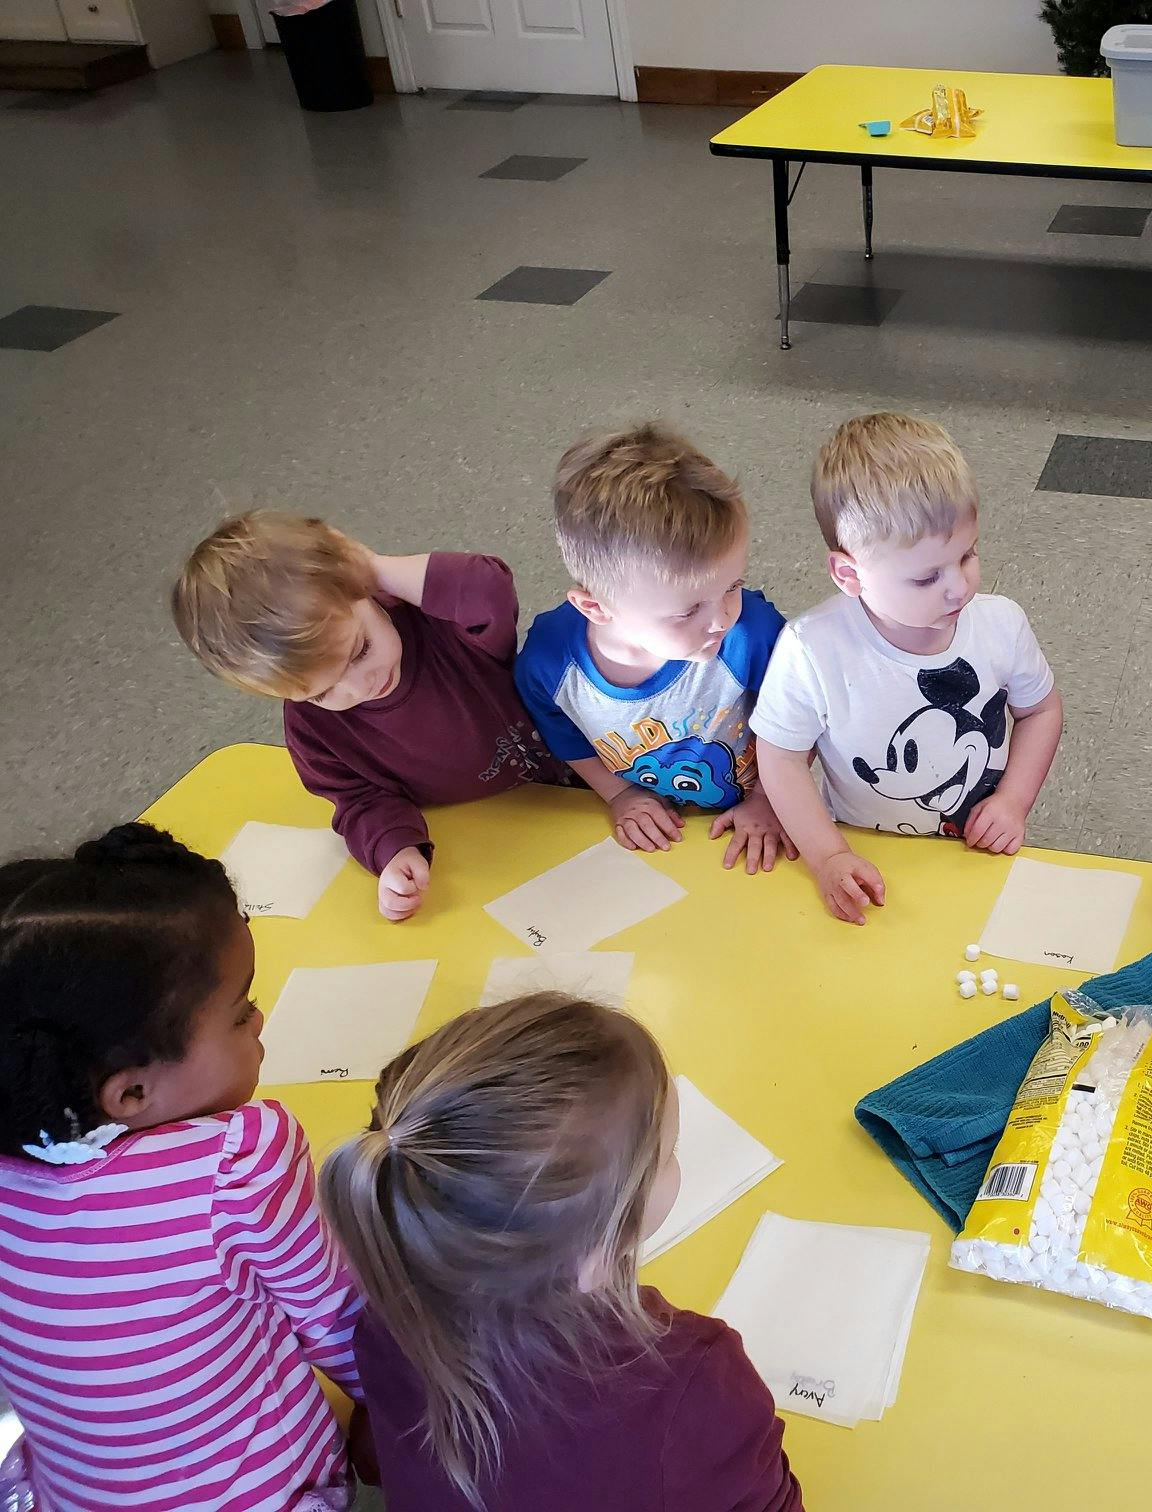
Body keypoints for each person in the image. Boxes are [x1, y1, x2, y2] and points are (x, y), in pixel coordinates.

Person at [318, 993, 803, 1511]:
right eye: (667, 1155)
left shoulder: (389, 1319)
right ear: (597, 1256)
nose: (675, 1161)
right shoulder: (694, 1384)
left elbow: (381, 1455)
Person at [0, 823, 365, 1511]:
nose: (260, 1021)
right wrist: (409, 1412)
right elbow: (342, 1321)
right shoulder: (237, 1165)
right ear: (131, 1093)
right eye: (239, 1014)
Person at [174, 513, 569, 921]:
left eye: (360, 651)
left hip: (585, 765)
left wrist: (373, 568)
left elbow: (488, 586)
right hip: (490, 835)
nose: (359, 686)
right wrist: (395, 848)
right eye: (323, 692)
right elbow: (359, 799)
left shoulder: (443, 625)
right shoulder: (313, 728)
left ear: (362, 587)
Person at [753, 413, 1065, 924]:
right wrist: (827, 855)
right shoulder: (812, 649)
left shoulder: (1000, 623)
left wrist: (1013, 800)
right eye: (926, 578)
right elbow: (781, 756)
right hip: (863, 849)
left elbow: (1042, 710)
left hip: (976, 852)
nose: (960, 587)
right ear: (849, 574)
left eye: (968, 555)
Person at [515, 425, 794, 873]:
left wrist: (769, 799)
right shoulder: (548, 665)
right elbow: (560, 732)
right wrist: (618, 794)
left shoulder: (754, 636)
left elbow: (800, 721)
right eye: (687, 612)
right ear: (596, 607)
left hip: (754, 820)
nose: (722, 618)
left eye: (733, 586)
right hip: (645, 844)